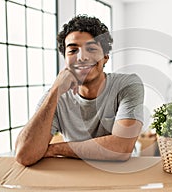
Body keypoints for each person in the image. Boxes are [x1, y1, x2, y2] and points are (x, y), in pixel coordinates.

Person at [15, 14, 144, 166]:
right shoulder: (54, 96)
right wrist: (55, 92)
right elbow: (25, 155)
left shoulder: (127, 85)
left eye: (91, 48)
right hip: (76, 173)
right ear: (65, 58)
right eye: (73, 50)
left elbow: (121, 148)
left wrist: (53, 149)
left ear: (106, 56)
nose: (82, 57)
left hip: (123, 173)